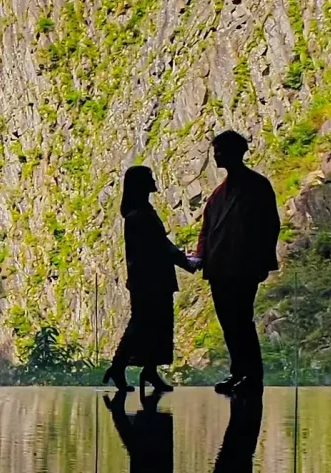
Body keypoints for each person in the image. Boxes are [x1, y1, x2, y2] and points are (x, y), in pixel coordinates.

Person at [193, 130, 280, 394]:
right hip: (219, 267)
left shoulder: (257, 186)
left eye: (220, 150)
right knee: (230, 323)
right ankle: (239, 372)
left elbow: (270, 226)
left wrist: (263, 261)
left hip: (243, 266)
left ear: (234, 153)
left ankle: (250, 375)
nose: (216, 155)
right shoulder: (219, 194)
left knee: (241, 321)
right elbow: (206, 230)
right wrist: (200, 256)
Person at [105, 164, 196, 399]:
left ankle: (147, 370)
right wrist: (186, 262)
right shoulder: (141, 215)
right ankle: (119, 366)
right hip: (151, 280)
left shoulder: (139, 213)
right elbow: (160, 247)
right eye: (149, 178)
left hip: (148, 279)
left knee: (154, 325)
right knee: (145, 324)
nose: (154, 180)